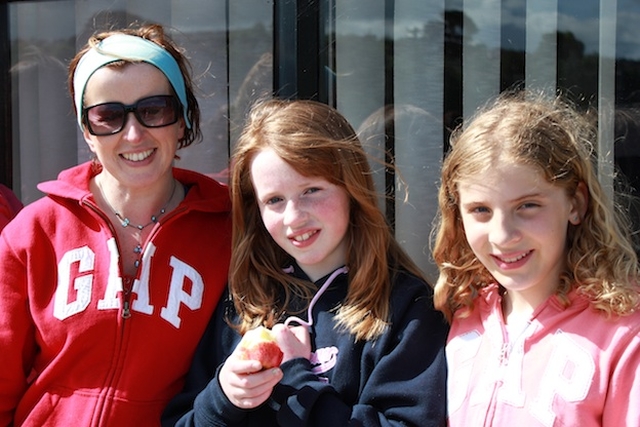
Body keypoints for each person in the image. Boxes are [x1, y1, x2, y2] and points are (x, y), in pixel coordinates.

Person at [163, 99, 448, 426]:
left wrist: (298, 378)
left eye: (311, 190)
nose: (294, 217)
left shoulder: (407, 308)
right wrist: (223, 398)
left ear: (350, 188)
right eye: (274, 200)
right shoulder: (243, 303)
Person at [0, 24, 232, 426]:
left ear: (182, 120)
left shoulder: (231, 233)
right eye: (108, 116)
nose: (134, 133)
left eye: (154, 109)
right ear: (87, 132)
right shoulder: (32, 233)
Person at [432, 92, 640, 426]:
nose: (502, 235)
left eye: (527, 206)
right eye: (480, 210)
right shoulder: (460, 313)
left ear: (575, 204)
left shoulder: (625, 336)